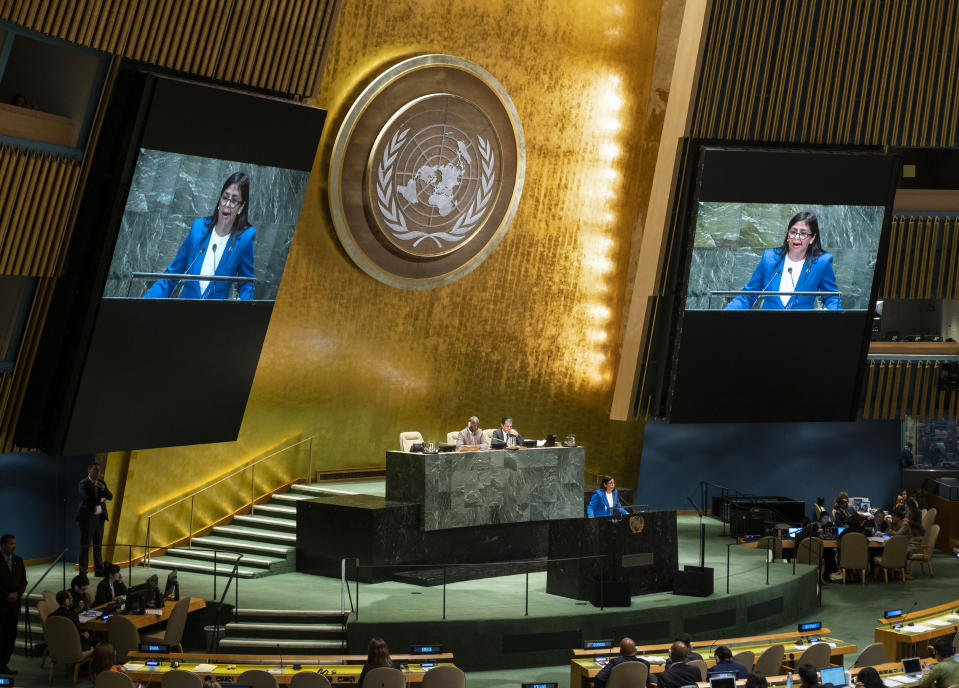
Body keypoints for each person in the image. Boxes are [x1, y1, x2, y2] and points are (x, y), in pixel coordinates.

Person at [145, 172, 256, 300]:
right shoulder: (198, 229)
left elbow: (246, 284)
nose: (227, 204)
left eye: (234, 200)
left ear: (241, 207)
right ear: (219, 200)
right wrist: (144, 302)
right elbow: (171, 276)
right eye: (225, 197)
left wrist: (243, 310)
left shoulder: (244, 240)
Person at [725, 211, 840, 310]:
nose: (796, 237)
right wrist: (724, 313)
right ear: (788, 234)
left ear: (812, 239)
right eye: (793, 232)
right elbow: (747, 296)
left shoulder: (821, 263)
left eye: (803, 233)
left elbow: (832, 298)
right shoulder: (769, 258)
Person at [77, 462, 113, 577]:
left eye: (99, 470)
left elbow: (110, 496)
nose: (97, 472)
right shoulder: (83, 483)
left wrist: (102, 488)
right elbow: (87, 499)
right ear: (89, 470)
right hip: (87, 519)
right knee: (85, 545)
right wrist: (101, 499)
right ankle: (83, 571)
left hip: (99, 519)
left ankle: (99, 570)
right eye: (95, 470)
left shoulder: (101, 483)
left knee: (98, 545)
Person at [0, 534, 26, 676]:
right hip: (1, 606)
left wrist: (17, 594)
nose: (14, 546)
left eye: (15, 543)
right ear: (3, 545)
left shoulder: (18, 560)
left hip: (14, 606)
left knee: (10, 637)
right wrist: (6, 595)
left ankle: (3, 664)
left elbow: (24, 581)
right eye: (11, 544)